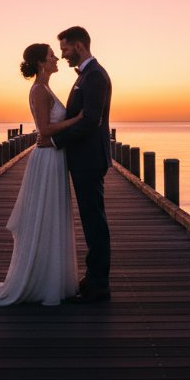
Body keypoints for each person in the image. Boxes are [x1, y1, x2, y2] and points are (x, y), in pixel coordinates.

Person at [0, 43, 82, 306]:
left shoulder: (45, 88)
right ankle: (39, 279)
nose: (56, 59)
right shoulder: (40, 90)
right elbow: (44, 128)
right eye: (52, 55)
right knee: (46, 213)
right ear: (42, 63)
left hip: (53, 157)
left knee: (52, 214)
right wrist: (78, 120)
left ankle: (50, 277)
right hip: (47, 158)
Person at [47, 26, 113, 303]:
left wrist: (54, 141)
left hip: (89, 159)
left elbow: (90, 121)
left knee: (94, 220)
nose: (62, 55)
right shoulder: (86, 75)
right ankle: (93, 276)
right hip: (84, 158)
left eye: (64, 49)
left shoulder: (95, 76)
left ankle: (99, 284)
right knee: (90, 218)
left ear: (78, 46)